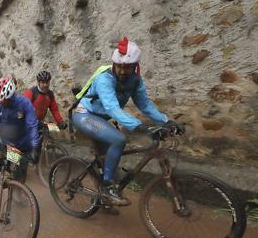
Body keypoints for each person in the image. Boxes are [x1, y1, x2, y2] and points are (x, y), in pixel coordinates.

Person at [72, 37, 181, 210]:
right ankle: (107, 188)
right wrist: (138, 126)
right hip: (84, 115)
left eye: (127, 67)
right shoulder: (104, 79)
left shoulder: (135, 81)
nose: (122, 71)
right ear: (114, 63)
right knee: (119, 139)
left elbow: (145, 104)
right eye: (120, 66)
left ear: (135, 66)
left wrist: (167, 121)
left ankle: (104, 199)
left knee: (110, 160)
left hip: (101, 120)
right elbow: (112, 108)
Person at [0, 76, 40, 182]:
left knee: (21, 168)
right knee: (10, 166)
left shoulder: (24, 103)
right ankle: (13, 180)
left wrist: (35, 146)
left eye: (3, 100)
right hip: (8, 144)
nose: (0, 102)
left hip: (23, 144)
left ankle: (17, 188)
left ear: (9, 96)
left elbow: (32, 125)